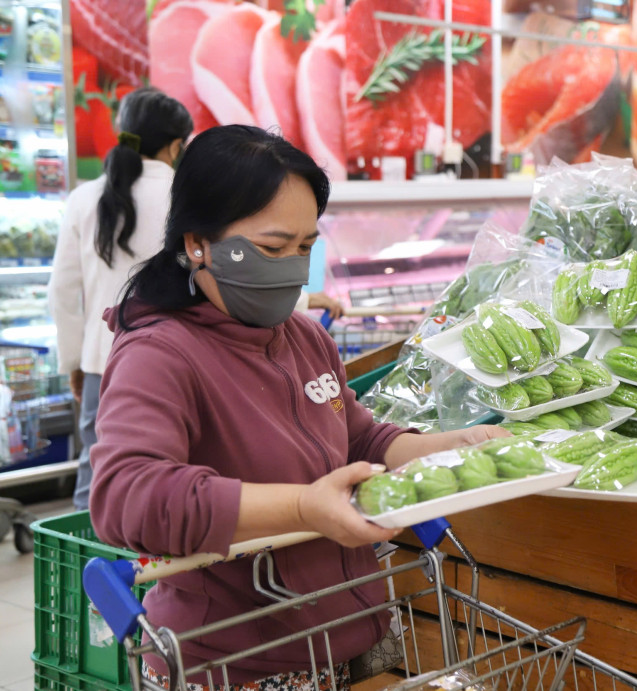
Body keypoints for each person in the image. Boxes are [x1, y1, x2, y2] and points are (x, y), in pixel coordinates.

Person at [88, 125, 508, 690]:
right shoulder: (159, 353)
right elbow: (127, 496)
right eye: (271, 248)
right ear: (197, 244)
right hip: (238, 664)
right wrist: (304, 507)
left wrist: (445, 449)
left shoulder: (305, 339)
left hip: (342, 639)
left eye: (306, 247)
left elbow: (359, 440)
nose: (292, 267)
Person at [48, 87, 193, 510]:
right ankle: (159, 574)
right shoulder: (185, 196)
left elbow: (62, 291)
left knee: (95, 476)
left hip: (101, 362)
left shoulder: (83, 198)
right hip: (179, 360)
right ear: (174, 145)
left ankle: (85, 568)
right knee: (174, 475)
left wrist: (73, 361)